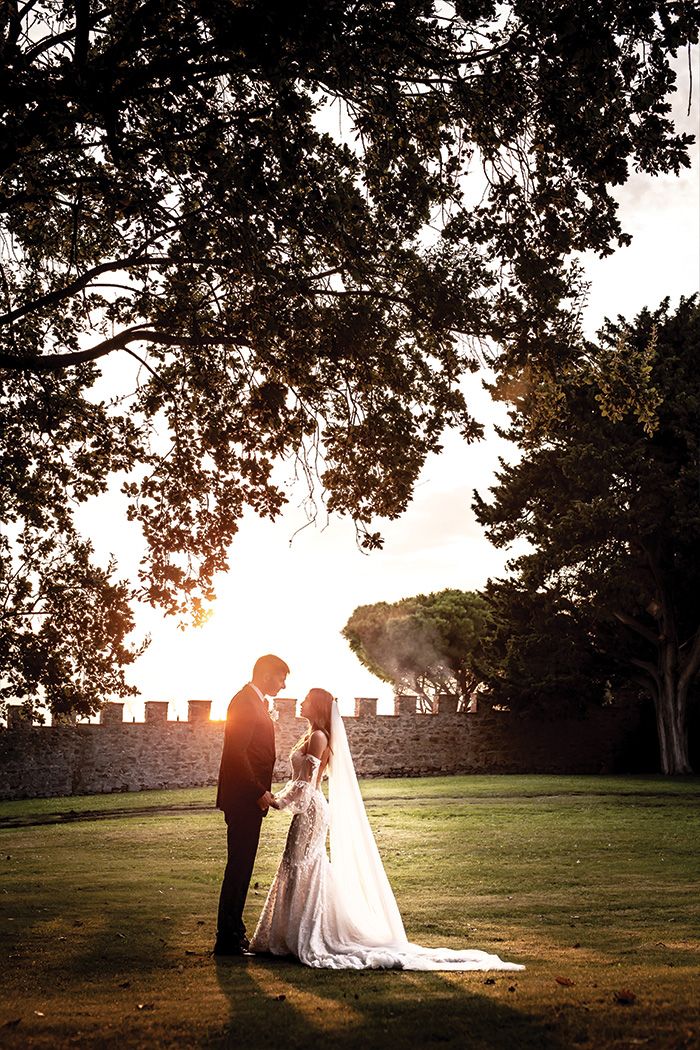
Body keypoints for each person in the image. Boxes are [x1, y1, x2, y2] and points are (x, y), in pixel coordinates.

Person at [250, 689, 525, 971]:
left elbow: (306, 785)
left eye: (307, 698)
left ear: (318, 706)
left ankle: (307, 936)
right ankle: (287, 935)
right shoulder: (311, 735)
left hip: (311, 811)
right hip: (308, 809)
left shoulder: (319, 737)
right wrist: (280, 798)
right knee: (297, 864)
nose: (301, 701)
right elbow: (300, 781)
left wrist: (280, 802)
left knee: (301, 864)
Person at [214, 654, 289, 956]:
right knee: (239, 867)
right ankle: (227, 938)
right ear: (267, 675)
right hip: (244, 798)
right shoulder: (244, 702)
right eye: (281, 678)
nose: (284, 685)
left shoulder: (254, 702)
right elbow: (236, 752)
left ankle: (234, 933)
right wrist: (259, 791)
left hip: (248, 799)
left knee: (242, 867)